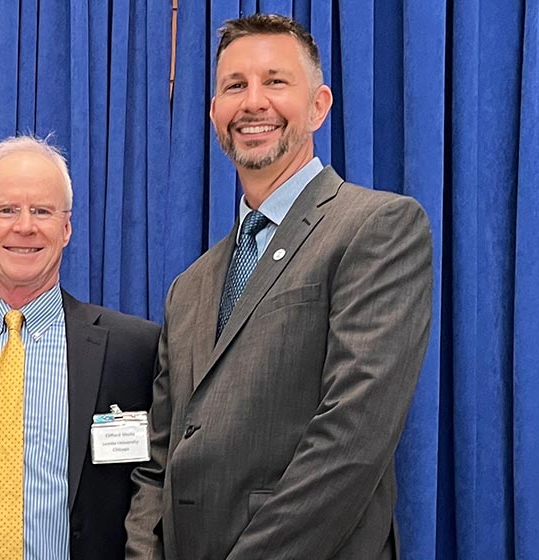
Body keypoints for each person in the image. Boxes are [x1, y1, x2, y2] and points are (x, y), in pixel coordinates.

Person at [125, 13, 432, 560]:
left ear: (319, 105)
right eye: (234, 86)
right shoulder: (190, 286)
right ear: (216, 112)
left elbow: (351, 440)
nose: (253, 102)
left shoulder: (377, 228)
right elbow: (161, 459)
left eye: (275, 81)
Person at [0, 135, 160, 560]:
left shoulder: (133, 349)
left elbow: (155, 487)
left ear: (67, 228)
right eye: (6, 210)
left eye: (42, 210)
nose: (24, 226)